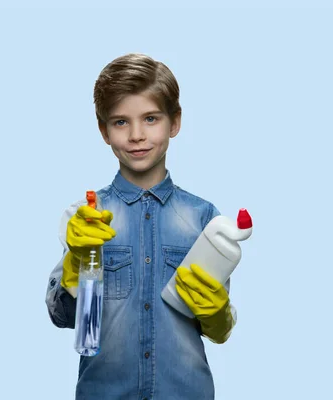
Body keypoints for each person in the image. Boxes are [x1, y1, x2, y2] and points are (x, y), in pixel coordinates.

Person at [45, 53, 237, 400]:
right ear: (103, 130)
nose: (137, 135)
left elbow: (219, 330)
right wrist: (77, 263)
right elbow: (63, 317)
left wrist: (219, 313)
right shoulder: (88, 216)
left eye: (150, 118)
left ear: (174, 122)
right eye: (120, 122)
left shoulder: (203, 217)